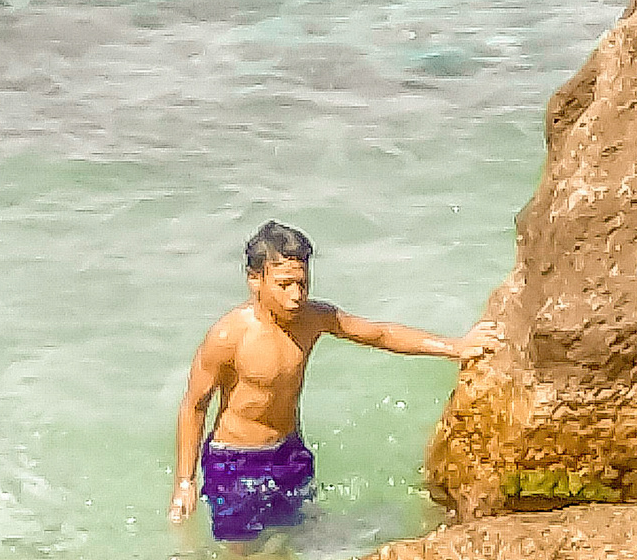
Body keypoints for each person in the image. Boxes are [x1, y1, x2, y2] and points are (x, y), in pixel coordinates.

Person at [170, 222, 481, 542]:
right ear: (255, 280)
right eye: (284, 285)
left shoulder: (313, 319)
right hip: (235, 462)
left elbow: (379, 334)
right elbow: (194, 406)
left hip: (289, 451)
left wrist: (454, 347)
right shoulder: (228, 337)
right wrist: (185, 481)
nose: (296, 296)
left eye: (302, 283)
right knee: (240, 555)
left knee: (291, 538)